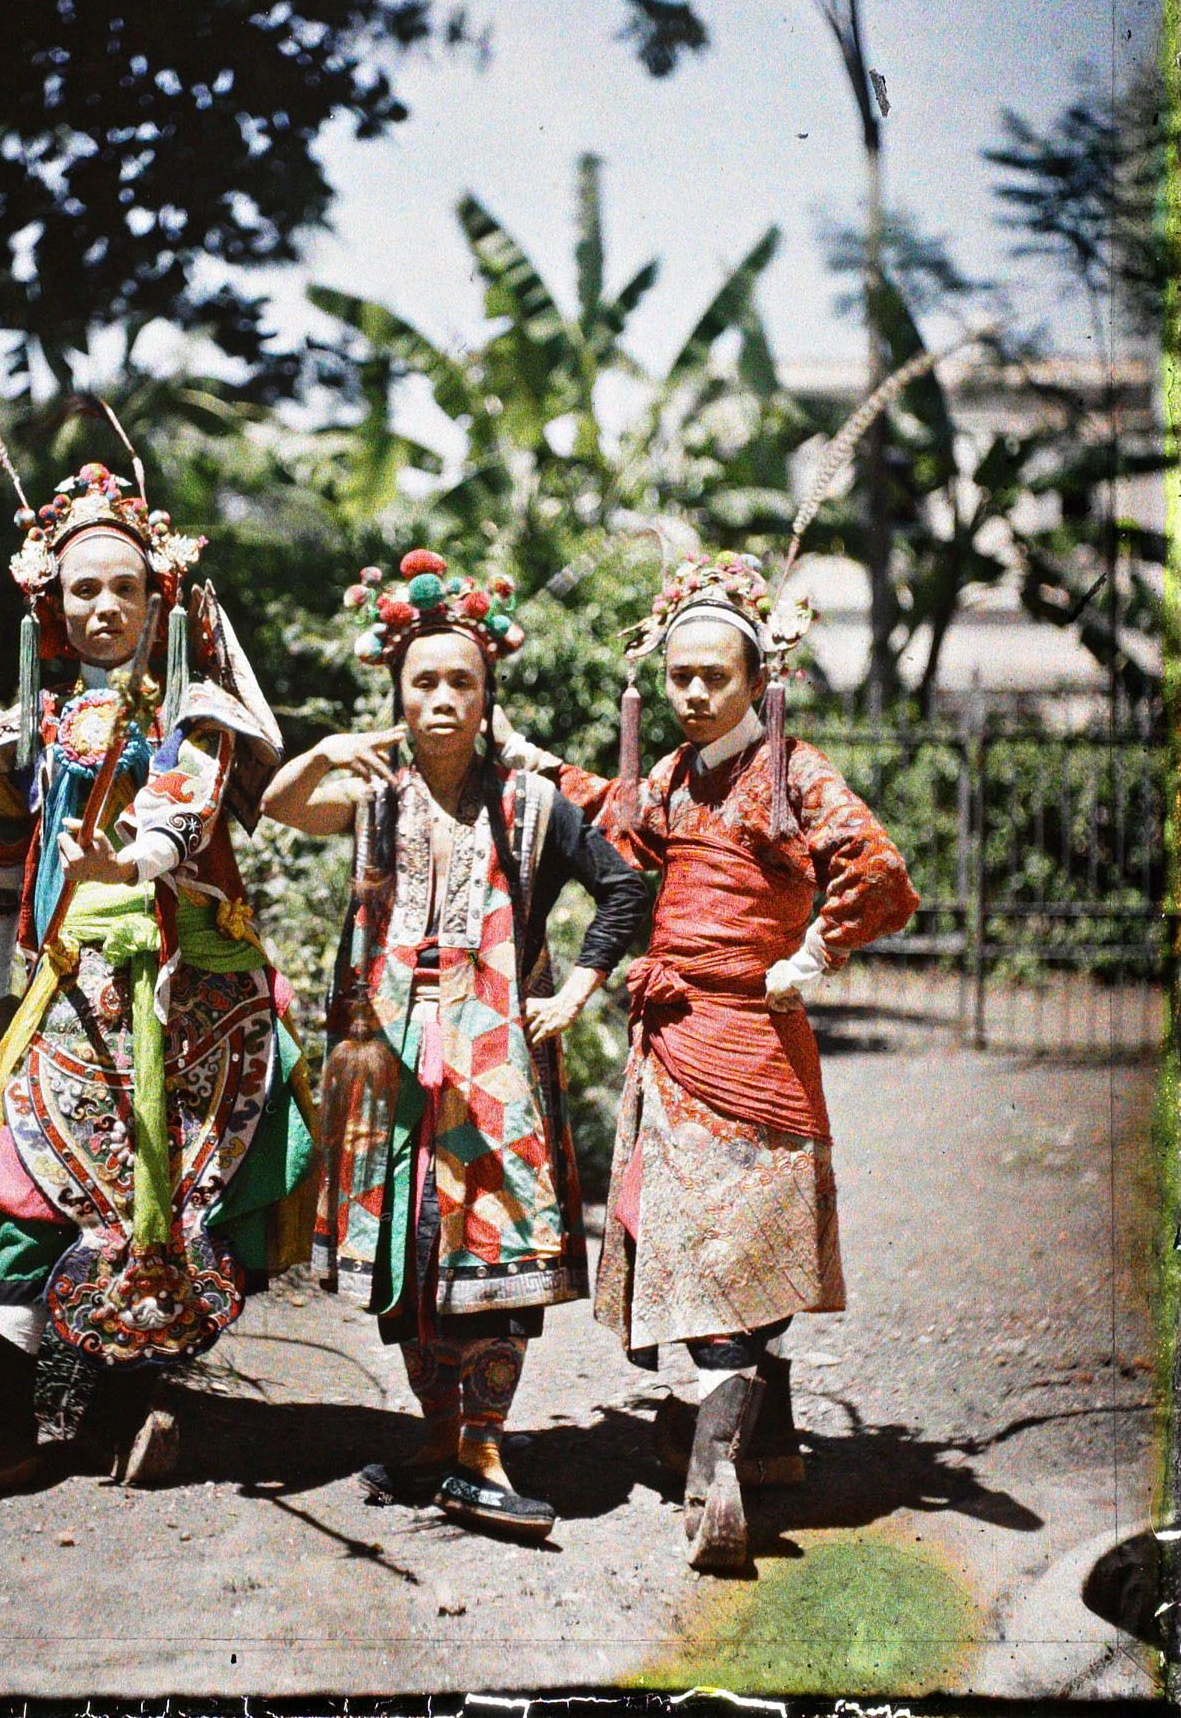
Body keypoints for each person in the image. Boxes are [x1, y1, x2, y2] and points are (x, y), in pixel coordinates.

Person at [0, 443, 316, 1504]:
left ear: (158, 597)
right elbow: (1, 855)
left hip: (175, 992)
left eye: (123, 586)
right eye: (83, 586)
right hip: (64, 982)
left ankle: (125, 1401)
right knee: (28, 1186)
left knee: (155, 1198)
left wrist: (128, 860)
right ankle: (5, 1414)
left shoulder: (193, 715)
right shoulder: (25, 721)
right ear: (51, 595)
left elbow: (185, 809)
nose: (101, 606)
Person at [500, 548, 919, 1571]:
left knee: (747, 1238)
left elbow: (878, 866)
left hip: (758, 1038)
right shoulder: (671, 779)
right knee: (699, 1239)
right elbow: (613, 818)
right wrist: (523, 752)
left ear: (754, 680)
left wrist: (813, 951)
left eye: (713, 676)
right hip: (676, 1038)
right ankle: (750, 1439)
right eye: (679, 675)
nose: (692, 692)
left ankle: (716, 1460)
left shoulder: (794, 772)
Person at [260, 550, 647, 1542]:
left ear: (487, 696)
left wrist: (576, 986)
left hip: (491, 1077)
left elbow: (623, 885)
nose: (441, 698)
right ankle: (439, 1437)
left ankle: (481, 1451)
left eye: (460, 681)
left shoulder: (528, 804)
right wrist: (324, 750)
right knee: (407, 1256)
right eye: (423, 681)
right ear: (397, 692)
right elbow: (277, 807)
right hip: (386, 1066)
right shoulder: (371, 795)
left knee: (487, 1253)